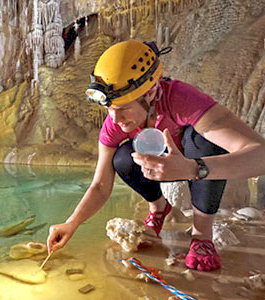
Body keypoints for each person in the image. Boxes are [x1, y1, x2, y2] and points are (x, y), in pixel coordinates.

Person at [46, 40, 265, 271]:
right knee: (121, 158)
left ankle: (202, 236)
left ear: (150, 93)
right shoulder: (114, 123)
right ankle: (159, 208)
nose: (115, 119)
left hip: (193, 163)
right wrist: (72, 223)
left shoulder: (181, 98)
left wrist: (192, 168)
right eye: (109, 109)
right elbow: (100, 185)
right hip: (161, 169)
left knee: (205, 140)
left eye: (123, 108)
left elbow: (260, 155)